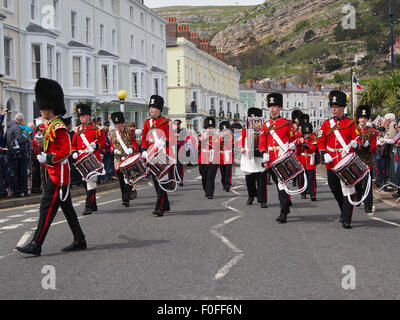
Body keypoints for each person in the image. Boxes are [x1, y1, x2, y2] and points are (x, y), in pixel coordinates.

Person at [16, 78, 86, 256]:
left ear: (50, 107)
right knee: (67, 208)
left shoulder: (59, 127)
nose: (40, 110)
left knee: (46, 208)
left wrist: (46, 157)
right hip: (53, 172)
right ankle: (80, 239)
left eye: (42, 107)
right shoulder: (48, 125)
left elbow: (65, 151)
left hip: (58, 175)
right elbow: (44, 144)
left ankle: (36, 243)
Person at [317, 90, 360, 229]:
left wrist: (355, 143)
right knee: (334, 187)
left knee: (348, 188)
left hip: (345, 159)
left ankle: (347, 218)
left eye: (336, 106)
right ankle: (344, 210)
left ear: (342, 108)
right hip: (331, 161)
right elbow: (320, 141)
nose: (333, 109)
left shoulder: (351, 123)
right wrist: (324, 153)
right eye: (332, 106)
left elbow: (357, 138)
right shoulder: (326, 124)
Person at [259, 93, 296, 223]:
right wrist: (264, 152)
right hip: (271, 159)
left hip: (283, 158)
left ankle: (283, 212)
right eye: (270, 106)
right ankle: (286, 204)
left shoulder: (287, 123)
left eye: (275, 106)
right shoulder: (265, 125)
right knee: (278, 184)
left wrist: (292, 144)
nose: (272, 109)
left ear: (280, 108)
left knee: (282, 185)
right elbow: (262, 142)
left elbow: (293, 138)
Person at [141, 95, 174, 216]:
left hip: (162, 154)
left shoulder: (166, 122)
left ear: (159, 109)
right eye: (150, 107)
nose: (151, 110)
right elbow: (144, 138)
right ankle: (165, 204)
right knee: (156, 180)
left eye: (154, 108)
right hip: (151, 154)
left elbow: (172, 138)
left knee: (162, 179)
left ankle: (159, 207)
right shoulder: (147, 123)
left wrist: (164, 142)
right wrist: (144, 149)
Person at [71, 104, 106, 216]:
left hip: (93, 159)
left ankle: (88, 207)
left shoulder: (96, 129)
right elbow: (73, 145)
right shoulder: (77, 130)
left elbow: (103, 143)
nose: (82, 118)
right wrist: (74, 152)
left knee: (90, 182)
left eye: (84, 116)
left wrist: (96, 145)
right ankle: (94, 204)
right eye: (80, 116)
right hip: (81, 160)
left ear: (89, 116)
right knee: (86, 183)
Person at [110, 112, 139, 207]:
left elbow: (135, 143)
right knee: (121, 180)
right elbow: (111, 146)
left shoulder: (130, 132)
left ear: (123, 123)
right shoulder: (112, 134)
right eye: (116, 124)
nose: (118, 125)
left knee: (129, 179)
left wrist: (132, 149)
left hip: (128, 158)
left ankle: (126, 199)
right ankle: (124, 196)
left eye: (119, 123)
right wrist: (113, 150)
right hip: (118, 160)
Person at [240, 108, 267, 208]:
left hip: (260, 157)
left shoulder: (264, 130)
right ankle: (251, 196)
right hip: (248, 157)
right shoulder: (244, 129)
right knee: (249, 180)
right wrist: (242, 148)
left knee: (261, 180)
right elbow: (240, 140)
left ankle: (262, 200)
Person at [354, 105, 377, 214]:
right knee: (357, 184)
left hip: (367, 162)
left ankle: (368, 206)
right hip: (356, 161)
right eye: (361, 117)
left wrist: (369, 146)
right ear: (358, 118)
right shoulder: (354, 130)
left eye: (365, 118)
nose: (362, 120)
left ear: (367, 119)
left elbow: (374, 147)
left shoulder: (372, 131)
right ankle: (358, 196)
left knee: (367, 185)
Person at [5, 113, 30, 197]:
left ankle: (15, 190)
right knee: (21, 173)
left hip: (11, 153)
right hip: (18, 153)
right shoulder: (17, 127)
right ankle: (20, 191)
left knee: (14, 173)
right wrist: (27, 139)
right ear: (21, 120)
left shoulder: (8, 128)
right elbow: (20, 139)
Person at [198, 117, 219, 199]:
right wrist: (199, 141)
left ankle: (210, 192)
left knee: (211, 176)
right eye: (208, 128)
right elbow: (196, 146)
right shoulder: (201, 136)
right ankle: (206, 190)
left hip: (213, 158)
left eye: (211, 127)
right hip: (203, 158)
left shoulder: (216, 136)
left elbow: (217, 145)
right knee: (204, 176)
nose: (210, 129)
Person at [297, 122, 317, 201]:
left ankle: (313, 194)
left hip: (310, 160)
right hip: (302, 160)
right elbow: (298, 151)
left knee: (311, 178)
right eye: (305, 134)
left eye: (308, 133)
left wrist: (304, 143)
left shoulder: (313, 140)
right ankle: (303, 193)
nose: (306, 135)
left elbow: (312, 149)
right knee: (301, 178)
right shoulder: (300, 140)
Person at [219, 121, 233, 192]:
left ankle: (228, 184)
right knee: (223, 172)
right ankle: (223, 183)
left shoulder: (231, 136)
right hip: (221, 157)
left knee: (228, 171)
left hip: (228, 156)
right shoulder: (219, 137)